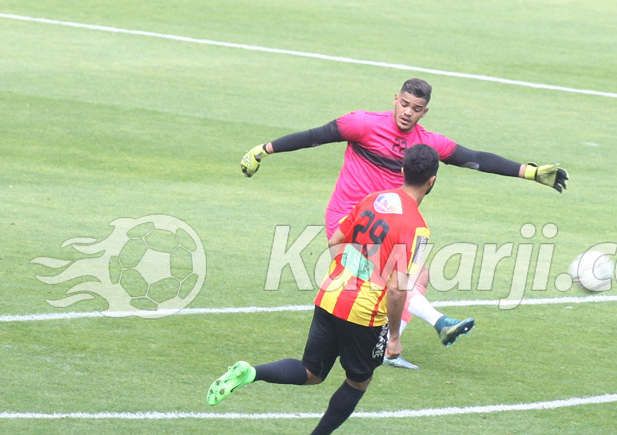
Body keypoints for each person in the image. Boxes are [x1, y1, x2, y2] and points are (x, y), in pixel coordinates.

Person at [240, 78, 569, 370]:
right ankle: (435, 323)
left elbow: (478, 159)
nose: (408, 112)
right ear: (394, 99)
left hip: (384, 224)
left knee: (417, 276)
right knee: (392, 280)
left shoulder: (427, 143)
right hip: (348, 221)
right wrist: (264, 150)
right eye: (405, 104)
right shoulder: (362, 124)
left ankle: (385, 346)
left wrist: (529, 172)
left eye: (417, 108)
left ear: (425, 112)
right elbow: (315, 136)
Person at [207, 144, 441, 435]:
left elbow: (335, 240)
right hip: (363, 312)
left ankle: (251, 372)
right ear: (432, 181)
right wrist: (395, 337)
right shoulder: (418, 228)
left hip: (330, 293)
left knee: (312, 370)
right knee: (359, 381)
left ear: (402, 172)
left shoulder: (372, 199)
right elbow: (399, 290)